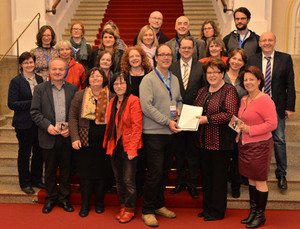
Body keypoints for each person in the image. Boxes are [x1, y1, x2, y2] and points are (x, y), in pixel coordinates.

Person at [140, 44, 182, 227]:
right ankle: (147, 210)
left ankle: (159, 204)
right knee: (155, 173)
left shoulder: (174, 79)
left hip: (171, 133)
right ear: (156, 58)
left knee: (165, 172)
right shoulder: (148, 80)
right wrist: (167, 121)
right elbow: (146, 107)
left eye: (168, 55)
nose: (166, 57)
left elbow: (178, 99)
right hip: (154, 133)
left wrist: (179, 111)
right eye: (162, 55)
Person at [247, 32, 296, 190]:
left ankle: (281, 173)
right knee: (257, 140)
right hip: (257, 104)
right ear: (259, 43)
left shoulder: (285, 58)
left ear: (275, 42)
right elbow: (248, 83)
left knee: (279, 139)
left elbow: (290, 84)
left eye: (270, 40)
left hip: (277, 105)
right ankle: (258, 172)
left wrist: (290, 107)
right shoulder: (253, 59)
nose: (267, 43)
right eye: (264, 40)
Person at [30, 58, 77, 214]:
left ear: (65, 71)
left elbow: (76, 113)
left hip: (66, 137)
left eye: (61, 69)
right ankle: (50, 199)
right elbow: (34, 112)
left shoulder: (73, 89)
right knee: (49, 171)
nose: (57, 72)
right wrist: (47, 126)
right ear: (49, 70)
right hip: (48, 135)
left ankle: (64, 199)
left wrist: (71, 127)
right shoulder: (40, 89)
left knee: (66, 171)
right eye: (54, 69)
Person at [194, 58, 238, 221]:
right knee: (206, 177)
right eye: (209, 72)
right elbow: (195, 111)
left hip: (221, 143)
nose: (212, 75)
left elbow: (230, 114)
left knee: (218, 179)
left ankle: (217, 211)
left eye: (216, 72)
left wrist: (207, 119)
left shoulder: (229, 91)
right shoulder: (202, 91)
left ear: (223, 74)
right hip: (203, 142)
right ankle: (207, 208)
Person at [237, 66, 277, 228]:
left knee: (259, 181)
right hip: (245, 145)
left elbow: (272, 124)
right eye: (245, 79)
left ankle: (260, 215)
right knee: (251, 180)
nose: (248, 82)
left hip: (260, 146)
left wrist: (250, 130)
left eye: (251, 79)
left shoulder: (265, 99)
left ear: (259, 80)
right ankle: (253, 212)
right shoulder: (244, 99)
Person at [69, 67, 111, 217]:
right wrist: (74, 137)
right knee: (85, 176)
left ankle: (99, 203)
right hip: (84, 143)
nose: (95, 79)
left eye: (98, 76)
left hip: (104, 144)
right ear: (88, 79)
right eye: (92, 76)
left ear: (104, 79)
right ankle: (85, 205)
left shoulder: (110, 96)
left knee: (102, 175)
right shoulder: (80, 96)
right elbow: (72, 117)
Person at [103, 73, 143, 224]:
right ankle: (123, 205)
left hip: (129, 145)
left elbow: (137, 127)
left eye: (122, 83)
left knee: (128, 180)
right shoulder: (112, 101)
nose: (119, 86)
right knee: (119, 180)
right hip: (114, 145)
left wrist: (132, 150)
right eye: (116, 84)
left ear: (127, 85)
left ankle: (130, 209)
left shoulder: (134, 100)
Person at [169, 36, 206, 198]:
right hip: (176, 116)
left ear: (193, 49)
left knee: (192, 152)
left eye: (189, 48)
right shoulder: (172, 67)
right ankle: (180, 181)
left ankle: (192, 184)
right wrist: (172, 113)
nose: (186, 50)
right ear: (178, 49)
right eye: (183, 48)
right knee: (179, 151)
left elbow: (205, 90)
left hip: (194, 116)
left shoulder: (201, 67)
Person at [8, 52, 44, 195]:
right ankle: (25, 182)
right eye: (26, 63)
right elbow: (11, 104)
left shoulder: (40, 79)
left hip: (39, 123)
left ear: (35, 63)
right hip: (23, 124)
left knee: (39, 153)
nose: (29, 65)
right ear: (21, 65)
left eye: (31, 62)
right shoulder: (16, 81)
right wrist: (32, 103)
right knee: (24, 154)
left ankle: (36, 179)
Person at [120, 46, 153, 197]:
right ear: (127, 60)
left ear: (142, 58)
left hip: (149, 120)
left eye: (137, 56)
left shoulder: (151, 75)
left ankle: (143, 187)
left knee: (146, 155)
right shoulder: (124, 76)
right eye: (131, 57)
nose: (134, 59)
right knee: (134, 155)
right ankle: (134, 188)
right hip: (130, 122)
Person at [224, 48, 248, 198]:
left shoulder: (245, 78)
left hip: (238, 122)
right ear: (229, 59)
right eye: (234, 58)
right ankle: (223, 181)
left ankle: (235, 184)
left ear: (244, 63)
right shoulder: (221, 74)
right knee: (224, 155)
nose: (236, 62)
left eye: (240, 60)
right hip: (221, 121)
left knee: (237, 154)